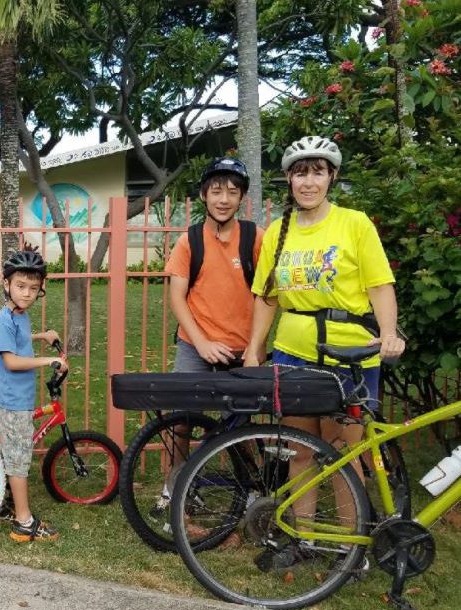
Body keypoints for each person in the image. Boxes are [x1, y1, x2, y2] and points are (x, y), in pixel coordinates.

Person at [243, 135, 406, 568]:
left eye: (317, 171)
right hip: (293, 352)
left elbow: (379, 285)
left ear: (331, 176)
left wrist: (387, 331)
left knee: (344, 454)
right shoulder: (278, 231)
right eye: (300, 172)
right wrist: (252, 349)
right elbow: (266, 297)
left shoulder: (355, 224)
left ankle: (353, 550)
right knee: (300, 450)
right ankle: (304, 538)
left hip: (347, 355)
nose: (308, 181)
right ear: (289, 179)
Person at [153, 158, 264, 519]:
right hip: (195, 345)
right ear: (204, 195)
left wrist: (255, 348)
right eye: (216, 190)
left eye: (233, 192)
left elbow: (267, 295)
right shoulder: (190, 241)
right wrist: (201, 343)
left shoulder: (254, 238)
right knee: (181, 420)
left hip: (241, 348)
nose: (224, 199)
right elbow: (176, 296)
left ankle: (251, 490)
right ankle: (175, 488)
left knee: (241, 423)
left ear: (241, 198)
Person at [0, 249, 66, 543]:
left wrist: (41, 336)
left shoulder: (19, 316)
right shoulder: (4, 319)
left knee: (11, 454)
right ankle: (24, 522)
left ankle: (2, 503)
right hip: (12, 401)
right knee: (19, 461)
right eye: (21, 286)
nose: (27, 293)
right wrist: (49, 361)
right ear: (7, 284)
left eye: (34, 288)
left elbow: (18, 341)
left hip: (16, 398)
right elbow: (10, 360)